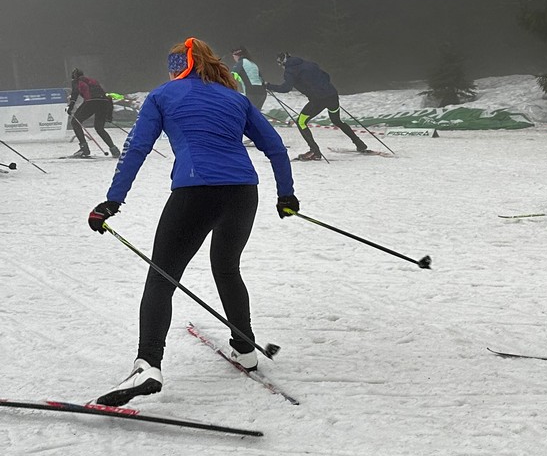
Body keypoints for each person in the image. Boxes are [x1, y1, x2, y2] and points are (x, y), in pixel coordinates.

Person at [86, 37, 298, 406]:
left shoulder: (162, 95)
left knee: (162, 277)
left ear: (176, 67)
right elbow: (276, 147)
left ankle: (147, 364)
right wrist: (286, 196)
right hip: (243, 193)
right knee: (227, 268)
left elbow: (136, 148)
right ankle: (245, 349)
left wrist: (112, 201)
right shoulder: (235, 97)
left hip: (195, 192)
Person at [273, 52, 369, 161]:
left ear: (282, 62)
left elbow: (285, 88)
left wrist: (268, 86)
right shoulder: (308, 63)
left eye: (279, 64)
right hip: (332, 95)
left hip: (318, 100)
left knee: (301, 122)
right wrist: (323, 88)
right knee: (337, 120)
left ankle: (315, 151)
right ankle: (359, 143)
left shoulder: (290, 71)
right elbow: (326, 76)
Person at [67, 68, 120, 159]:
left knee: (75, 122)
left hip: (91, 102)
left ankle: (84, 149)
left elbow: (75, 94)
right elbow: (107, 97)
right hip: (104, 102)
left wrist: (70, 108)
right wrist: (109, 116)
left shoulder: (76, 82)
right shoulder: (93, 81)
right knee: (99, 128)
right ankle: (114, 149)